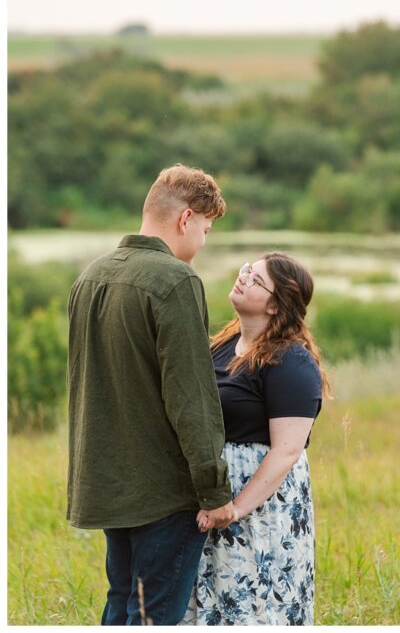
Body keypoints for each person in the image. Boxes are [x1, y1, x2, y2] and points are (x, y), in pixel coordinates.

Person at [66, 164, 237, 626]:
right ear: (185, 220)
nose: (201, 243)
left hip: (107, 483)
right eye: (204, 229)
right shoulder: (175, 282)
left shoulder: (90, 277)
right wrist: (214, 490)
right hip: (164, 491)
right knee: (153, 617)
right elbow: (192, 399)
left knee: (121, 603)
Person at [183, 252, 330, 625]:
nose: (244, 277)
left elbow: (287, 450)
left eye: (257, 280)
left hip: (261, 508)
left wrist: (236, 508)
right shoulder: (222, 345)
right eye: (248, 269)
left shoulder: (290, 360)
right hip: (216, 498)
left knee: (255, 606)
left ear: (275, 306)